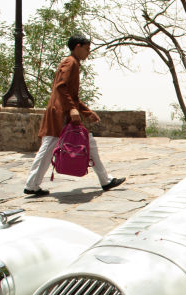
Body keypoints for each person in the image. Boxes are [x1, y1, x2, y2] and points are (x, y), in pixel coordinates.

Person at [24, 34, 125, 196]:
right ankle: (32, 184)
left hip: (64, 112)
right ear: (77, 47)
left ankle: (105, 180)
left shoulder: (74, 63)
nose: (88, 53)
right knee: (49, 147)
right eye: (86, 49)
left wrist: (85, 111)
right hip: (60, 113)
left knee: (88, 142)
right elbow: (61, 88)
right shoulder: (70, 62)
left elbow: (72, 95)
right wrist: (72, 109)